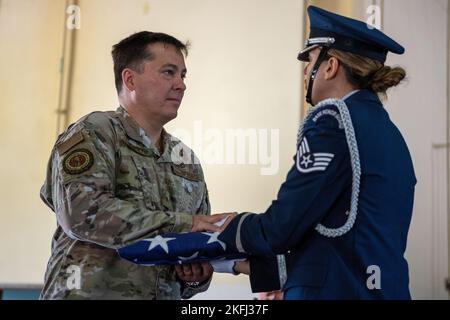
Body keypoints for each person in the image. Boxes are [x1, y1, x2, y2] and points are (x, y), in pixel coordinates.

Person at [214, 6, 416, 300]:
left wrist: (223, 232)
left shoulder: (333, 121)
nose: (307, 71)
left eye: (309, 61)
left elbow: (283, 227)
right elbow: (338, 240)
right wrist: (230, 263)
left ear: (330, 66)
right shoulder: (389, 132)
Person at [39, 31, 228, 299]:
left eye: (182, 75)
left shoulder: (185, 160)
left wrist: (197, 276)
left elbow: (194, 249)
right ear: (130, 79)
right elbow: (81, 214)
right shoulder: (96, 133)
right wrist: (184, 225)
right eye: (168, 72)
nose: (181, 85)